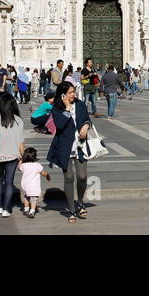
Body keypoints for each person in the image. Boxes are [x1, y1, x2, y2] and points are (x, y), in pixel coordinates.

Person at [48, 82, 93, 222]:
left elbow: (87, 119)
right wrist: (67, 109)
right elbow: (60, 125)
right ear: (63, 94)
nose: (73, 94)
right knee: (69, 178)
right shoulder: (56, 108)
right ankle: (72, 209)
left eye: (73, 91)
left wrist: (86, 126)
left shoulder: (80, 104)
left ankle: (80, 201)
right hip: (64, 146)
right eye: (70, 92)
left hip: (80, 146)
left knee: (83, 176)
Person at [18, 146, 48, 217]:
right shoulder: (37, 165)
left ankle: (26, 209)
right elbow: (43, 173)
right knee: (33, 199)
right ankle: (32, 211)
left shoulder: (24, 165)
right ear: (34, 157)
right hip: (34, 187)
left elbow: (19, 168)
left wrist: (21, 160)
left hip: (25, 186)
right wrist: (47, 175)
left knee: (26, 197)